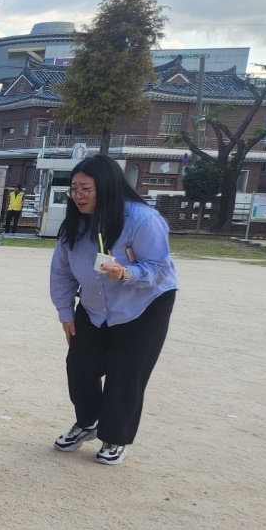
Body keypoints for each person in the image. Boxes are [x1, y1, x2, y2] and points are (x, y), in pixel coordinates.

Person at [49, 154, 178, 466]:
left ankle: (115, 438)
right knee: (80, 366)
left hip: (143, 307)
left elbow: (160, 269)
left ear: (106, 187)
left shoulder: (143, 220)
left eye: (86, 189)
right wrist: (66, 313)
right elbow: (61, 273)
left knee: (126, 374)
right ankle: (87, 422)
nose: (78, 196)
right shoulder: (73, 225)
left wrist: (127, 273)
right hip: (93, 307)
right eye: (74, 189)